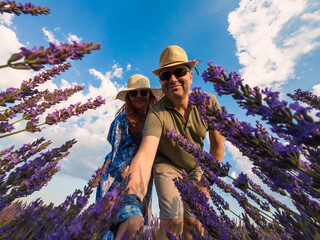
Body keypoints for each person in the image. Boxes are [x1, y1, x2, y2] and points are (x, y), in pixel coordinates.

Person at [125, 45, 225, 239]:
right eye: (165, 75)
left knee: (194, 224)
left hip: (195, 168)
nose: (172, 79)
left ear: (190, 76)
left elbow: (217, 147)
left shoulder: (208, 102)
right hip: (167, 164)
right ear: (161, 82)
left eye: (179, 72)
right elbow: (145, 155)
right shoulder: (157, 113)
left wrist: (205, 184)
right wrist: (133, 199)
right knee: (173, 219)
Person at [96, 74, 162, 240]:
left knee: (137, 227)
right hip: (117, 178)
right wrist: (136, 194)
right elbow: (119, 162)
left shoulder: (154, 118)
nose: (139, 95)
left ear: (150, 95)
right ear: (128, 98)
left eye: (143, 92)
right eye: (134, 93)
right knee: (118, 222)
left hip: (142, 177)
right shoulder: (121, 121)